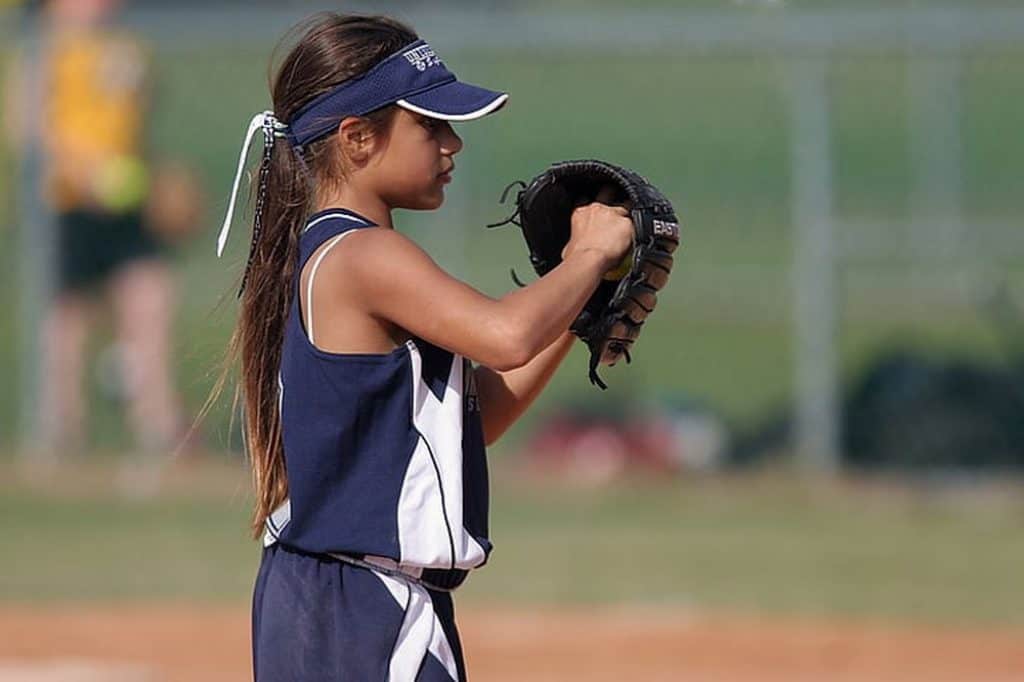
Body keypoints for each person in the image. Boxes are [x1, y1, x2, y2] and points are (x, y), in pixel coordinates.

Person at [213, 13, 633, 681]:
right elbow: (506, 334)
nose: (451, 144)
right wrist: (587, 255)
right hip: (359, 611)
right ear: (356, 138)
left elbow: (481, 413)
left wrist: (579, 301)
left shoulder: (348, 252)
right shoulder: (362, 255)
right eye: (429, 124)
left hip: (353, 604)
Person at [9, 0, 186, 469]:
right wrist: (86, 172)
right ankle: (60, 430)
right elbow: (27, 128)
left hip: (123, 204)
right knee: (66, 320)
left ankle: (159, 427)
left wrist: (150, 177)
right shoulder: (44, 48)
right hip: (64, 204)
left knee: (150, 297)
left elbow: (136, 125)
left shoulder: (125, 47)